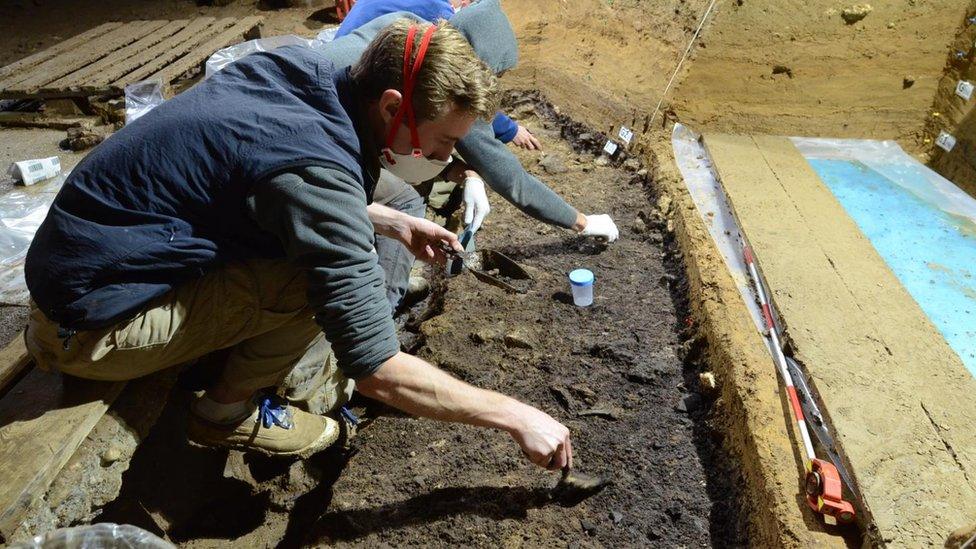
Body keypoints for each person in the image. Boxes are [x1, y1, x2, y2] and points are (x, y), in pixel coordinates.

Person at [23, 20, 574, 471]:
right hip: (86, 324)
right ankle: (224, 412)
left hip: (91, 256)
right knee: (310, 283)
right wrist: (517, 416)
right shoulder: (318, 169)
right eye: (446, 141)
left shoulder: (307, 71)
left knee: (331, 247)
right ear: (390, 106)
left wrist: (389, 220)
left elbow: (271, 180)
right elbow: (377, 367)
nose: (446, 157)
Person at [323, 0, 619, 309]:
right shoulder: (446, 91)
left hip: (332, 128)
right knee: (398, 201)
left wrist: (465, 173)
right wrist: (583, 222)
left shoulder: (410, 34)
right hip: (320, 148)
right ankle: (378, 300)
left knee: (402, 200)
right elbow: (511, 179)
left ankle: (389, 282)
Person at [336, 0, 540, 150]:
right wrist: (509, 130)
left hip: (348, 59)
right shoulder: (440, 15)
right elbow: (458, 84)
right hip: (357, 92)